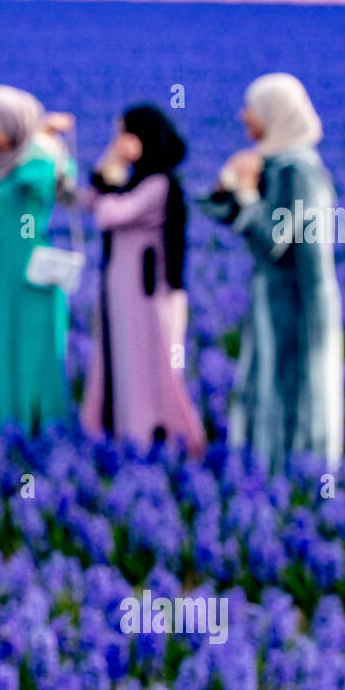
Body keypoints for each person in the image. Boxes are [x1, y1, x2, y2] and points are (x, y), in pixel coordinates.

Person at [202, 72, 344, 475]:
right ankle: (270, 468)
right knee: (271, 382)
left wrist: (246, 194)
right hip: (278, 297)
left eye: (252, 108)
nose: (243, 115)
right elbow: (225, 213)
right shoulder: (278, 163)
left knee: (289, 386)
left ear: (275, 113)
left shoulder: (296, 171)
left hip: (296, 301)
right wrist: (227, 185)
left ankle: (290, 473)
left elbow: (272, 240)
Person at [79, 105, 206, 457]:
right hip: (122, 288)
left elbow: (108, 213)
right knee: (121, 358)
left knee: (149, 362)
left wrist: (110, 171)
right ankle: (121, 431)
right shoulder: (136, 178)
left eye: (124, 135)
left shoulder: (160, 183)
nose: (118, 142)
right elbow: (90, 200)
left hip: (148, 291)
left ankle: (155, 434)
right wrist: (110, 164)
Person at [0, 85, 78, 433]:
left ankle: (38, 427)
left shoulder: (36, 163)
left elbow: (41, 175)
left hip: (33, 273)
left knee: (34, 348)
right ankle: (12, 421)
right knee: (8, 344)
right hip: (5, 271)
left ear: (14, 128)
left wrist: (40, 132)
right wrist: (33, 126)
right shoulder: (7, 159)